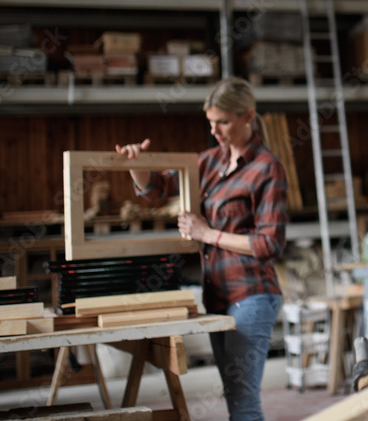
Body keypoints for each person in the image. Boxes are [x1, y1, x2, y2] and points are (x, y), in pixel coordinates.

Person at [116, 77, 287, 421]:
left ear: (247, 116)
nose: (215, 131)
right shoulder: (209, 162)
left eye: (223, 122)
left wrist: (207, 233)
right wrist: (137, 163)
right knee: (233, 397)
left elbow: (268, 244)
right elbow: (158, 187)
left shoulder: (267, 168)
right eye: (211, 122)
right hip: (218, 296)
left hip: (252, 296)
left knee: (243, 401)